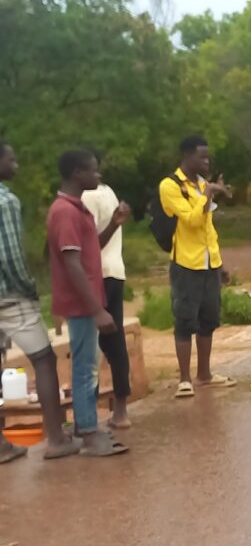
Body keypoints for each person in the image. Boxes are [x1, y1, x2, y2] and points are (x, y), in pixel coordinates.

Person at [0, 141, 80, 462]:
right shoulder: (6, 201)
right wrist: (29, 288)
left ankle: (2, 446)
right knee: (44, 360)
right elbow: (11, 257)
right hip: (9, 296)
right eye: (11, 159)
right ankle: (57, 439)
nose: (16, 165)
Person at [46, 150, 127, 456]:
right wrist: (96, 309)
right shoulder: (65, 212)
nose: (99, 176)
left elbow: (91, 248)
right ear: (78, 173)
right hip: (80, 304)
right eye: (94, 171)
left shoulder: (76, 209)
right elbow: (72, 263)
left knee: (87, 365)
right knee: (84, 368)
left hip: (86, 301)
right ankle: (89, 433)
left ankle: (85, 426)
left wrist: (115, 224)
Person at [161, 136, 236, 399]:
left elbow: (208, 229)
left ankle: (205, 375)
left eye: (208, 157)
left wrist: (220, 262)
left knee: (209, 318)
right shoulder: (170, 186)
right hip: (186, 264)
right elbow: (192, 221)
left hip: (208, 263)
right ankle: (184, 379)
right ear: (186, 156)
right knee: (184, 319)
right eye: (201, 157)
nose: (207, 162)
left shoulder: (203, 184)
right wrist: (207, 195)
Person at [81, 174, 134, 429]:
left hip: (96, 274)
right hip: (116, 271)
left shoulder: (86, 198)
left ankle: (86, 418)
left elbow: (91, 244)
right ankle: (121, 412)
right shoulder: (109, 191)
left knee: (88, 344)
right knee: (116, 341)